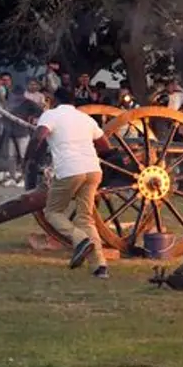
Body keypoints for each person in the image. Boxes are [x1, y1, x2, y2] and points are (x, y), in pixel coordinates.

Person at [33, 87, 112, 279]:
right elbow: (105, 145)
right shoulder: (85, 118)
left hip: (69, 170)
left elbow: (40, 135)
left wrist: (30, 158)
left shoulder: (50, 115)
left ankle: (81, 240)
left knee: (53, 212)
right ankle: (99, 266)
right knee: (85, 218)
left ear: (53, 100)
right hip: (93, 170)